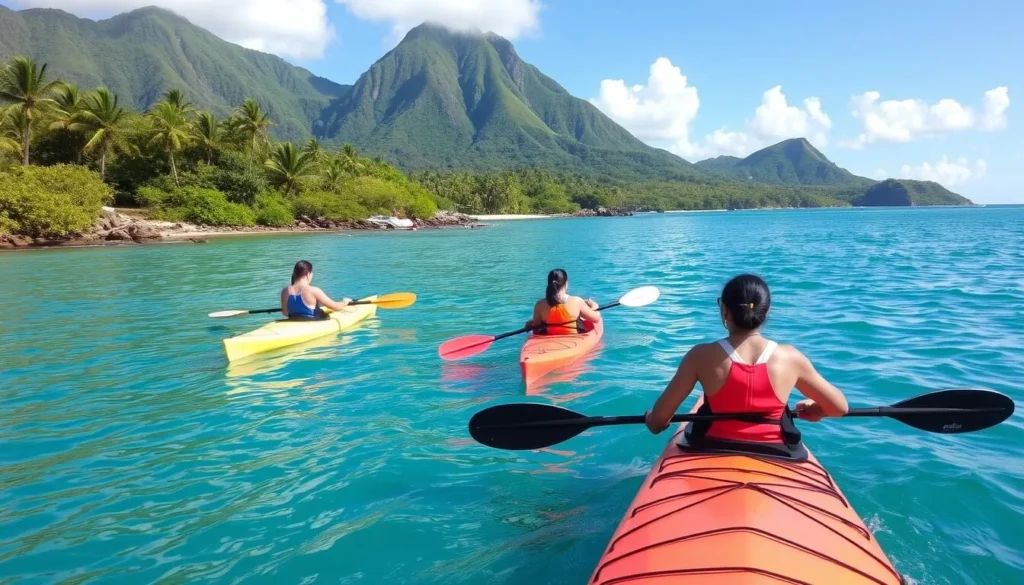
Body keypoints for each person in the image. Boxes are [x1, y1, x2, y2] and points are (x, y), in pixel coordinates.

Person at [644, 274, 849, 446]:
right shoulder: (790, 357)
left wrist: (652, 419)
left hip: (714, 448)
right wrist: (815, 409)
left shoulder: (700, 355)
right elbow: (839, 408)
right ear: (766, 310)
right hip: (775, 452)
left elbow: (658, 422)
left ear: (724, 310)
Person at [525, 268, 602, 335]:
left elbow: (536, 328)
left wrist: (532, 322)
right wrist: (594, 307)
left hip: (550, 339)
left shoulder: (540, 304)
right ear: (566, 284)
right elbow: (596, 318)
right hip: (573, 339)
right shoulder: (577, 301)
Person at [280, 260, 352, 320]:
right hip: (312, 322)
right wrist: (345, 302)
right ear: (308, 274)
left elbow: (285, 313)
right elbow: (336, 307)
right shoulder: (314, 290)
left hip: (293, 321)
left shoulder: (285, 291)